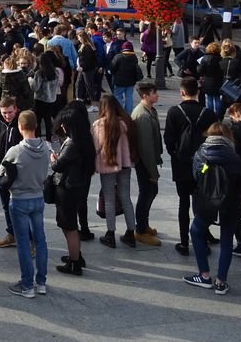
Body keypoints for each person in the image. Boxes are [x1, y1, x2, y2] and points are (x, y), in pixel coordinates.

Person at [182, 122, 241, 294]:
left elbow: (196, 176)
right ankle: (221, 281)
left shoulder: (201, 153)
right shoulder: (234, 155)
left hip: (207, 201)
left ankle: (204, 274)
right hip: (230, 202)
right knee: (226, 240)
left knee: (196, 231)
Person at [164, 77, 217, 256]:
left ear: (182, 92)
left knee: (183, 202)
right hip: (203, 166)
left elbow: (169, 139)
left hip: (182, 165)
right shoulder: (209, 113)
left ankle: (184, 242)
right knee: (201, 202)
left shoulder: (174, 111)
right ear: (198, 92)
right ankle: (201, 239)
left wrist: (176, 155)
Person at [0, 111, 50, 298]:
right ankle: (42, 282)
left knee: (23, 242)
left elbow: (1, 170)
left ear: (20, 127)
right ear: (36, 126)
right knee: (41, 240)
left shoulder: (16, 150)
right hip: (38, 196)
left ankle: (27, 285)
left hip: (19, 199)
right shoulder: (45, 147)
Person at [51, 102, 95, 275]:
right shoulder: (85, 139)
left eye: (65, 123)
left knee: (69, 226)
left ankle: (74, 262)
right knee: (71, 226)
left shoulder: (72, 143)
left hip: (68, 188)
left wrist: (52, 158)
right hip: (77, 186)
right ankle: (75, 255)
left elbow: (57, 166)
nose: (62, 125)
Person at [92, 94, 138, 248]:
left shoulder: (99, 125)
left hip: (108, 164)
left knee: (110, 199)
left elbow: (96, 147)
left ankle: (110, 233)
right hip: (125, 164)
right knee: (126, 197)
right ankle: (131, 232)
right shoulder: (126, 123)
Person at [0, 96, 22, 249]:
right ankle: (12, 234)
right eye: (4, 113)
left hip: (17, 170)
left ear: (16, 109)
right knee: (6, 204)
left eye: (10, 112)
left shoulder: (21, 123)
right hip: (1, 169)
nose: (7, 116)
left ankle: (28, 238)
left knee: (20, 205)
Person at [131, 83, 163, 246]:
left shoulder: (149, 111)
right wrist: (153, 172)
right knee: (147, 193)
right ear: (145, 95)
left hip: (148, 161)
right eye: (153, 93)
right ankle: (140, 229)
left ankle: (143, 224)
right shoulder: (142, 115)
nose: (156, 95)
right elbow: (146, 147)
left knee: (151, 191)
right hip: (144, 162)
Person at [108, 41, 143, 113]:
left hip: (119, 81)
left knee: (118, 96)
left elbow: (112, 67)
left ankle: (120, 112)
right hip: (130, 81)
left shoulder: (118, 56)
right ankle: (128, 113)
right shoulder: (134, 57)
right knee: (129, 97)